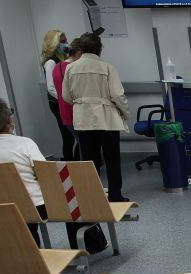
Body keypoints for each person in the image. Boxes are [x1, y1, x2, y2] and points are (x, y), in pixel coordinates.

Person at [0, 96, 103, 252]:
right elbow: (48, 176)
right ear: (9, 120)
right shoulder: (24, 144)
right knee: (71, 197)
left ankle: (29, 250)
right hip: (35, 207)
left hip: (1, 206)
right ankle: (90, 246)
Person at [62, 32, 129, 202]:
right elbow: (117, 95)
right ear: (99, 49)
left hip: (83, 119)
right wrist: (125, 113)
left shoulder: (70, 68)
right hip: (107, 119)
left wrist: (81, 104)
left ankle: (94, 198)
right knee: (112, 159)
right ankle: (115, 195)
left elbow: (66, 96)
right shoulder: (108, 67)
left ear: (81, 48)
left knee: (90, 161)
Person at [40, 29, 76, 161]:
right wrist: (64, 99)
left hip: (63, 100)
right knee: (67, 136)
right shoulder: (51, 62)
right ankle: (68, 164)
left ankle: (73, 163)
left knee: (71, 135)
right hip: (57, 102)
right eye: (62, 42)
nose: (66, 44)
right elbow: (50, 87)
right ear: (53, 44)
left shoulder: (64, 59)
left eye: (66, 40)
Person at [51, 35, 83, 160]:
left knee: (80, 142)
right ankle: (82, 173)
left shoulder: (57, 67)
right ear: (79, 52)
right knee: (84, 145)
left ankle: (79, 170)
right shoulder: (74, 68)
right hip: (76, 112)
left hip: (65, 113)